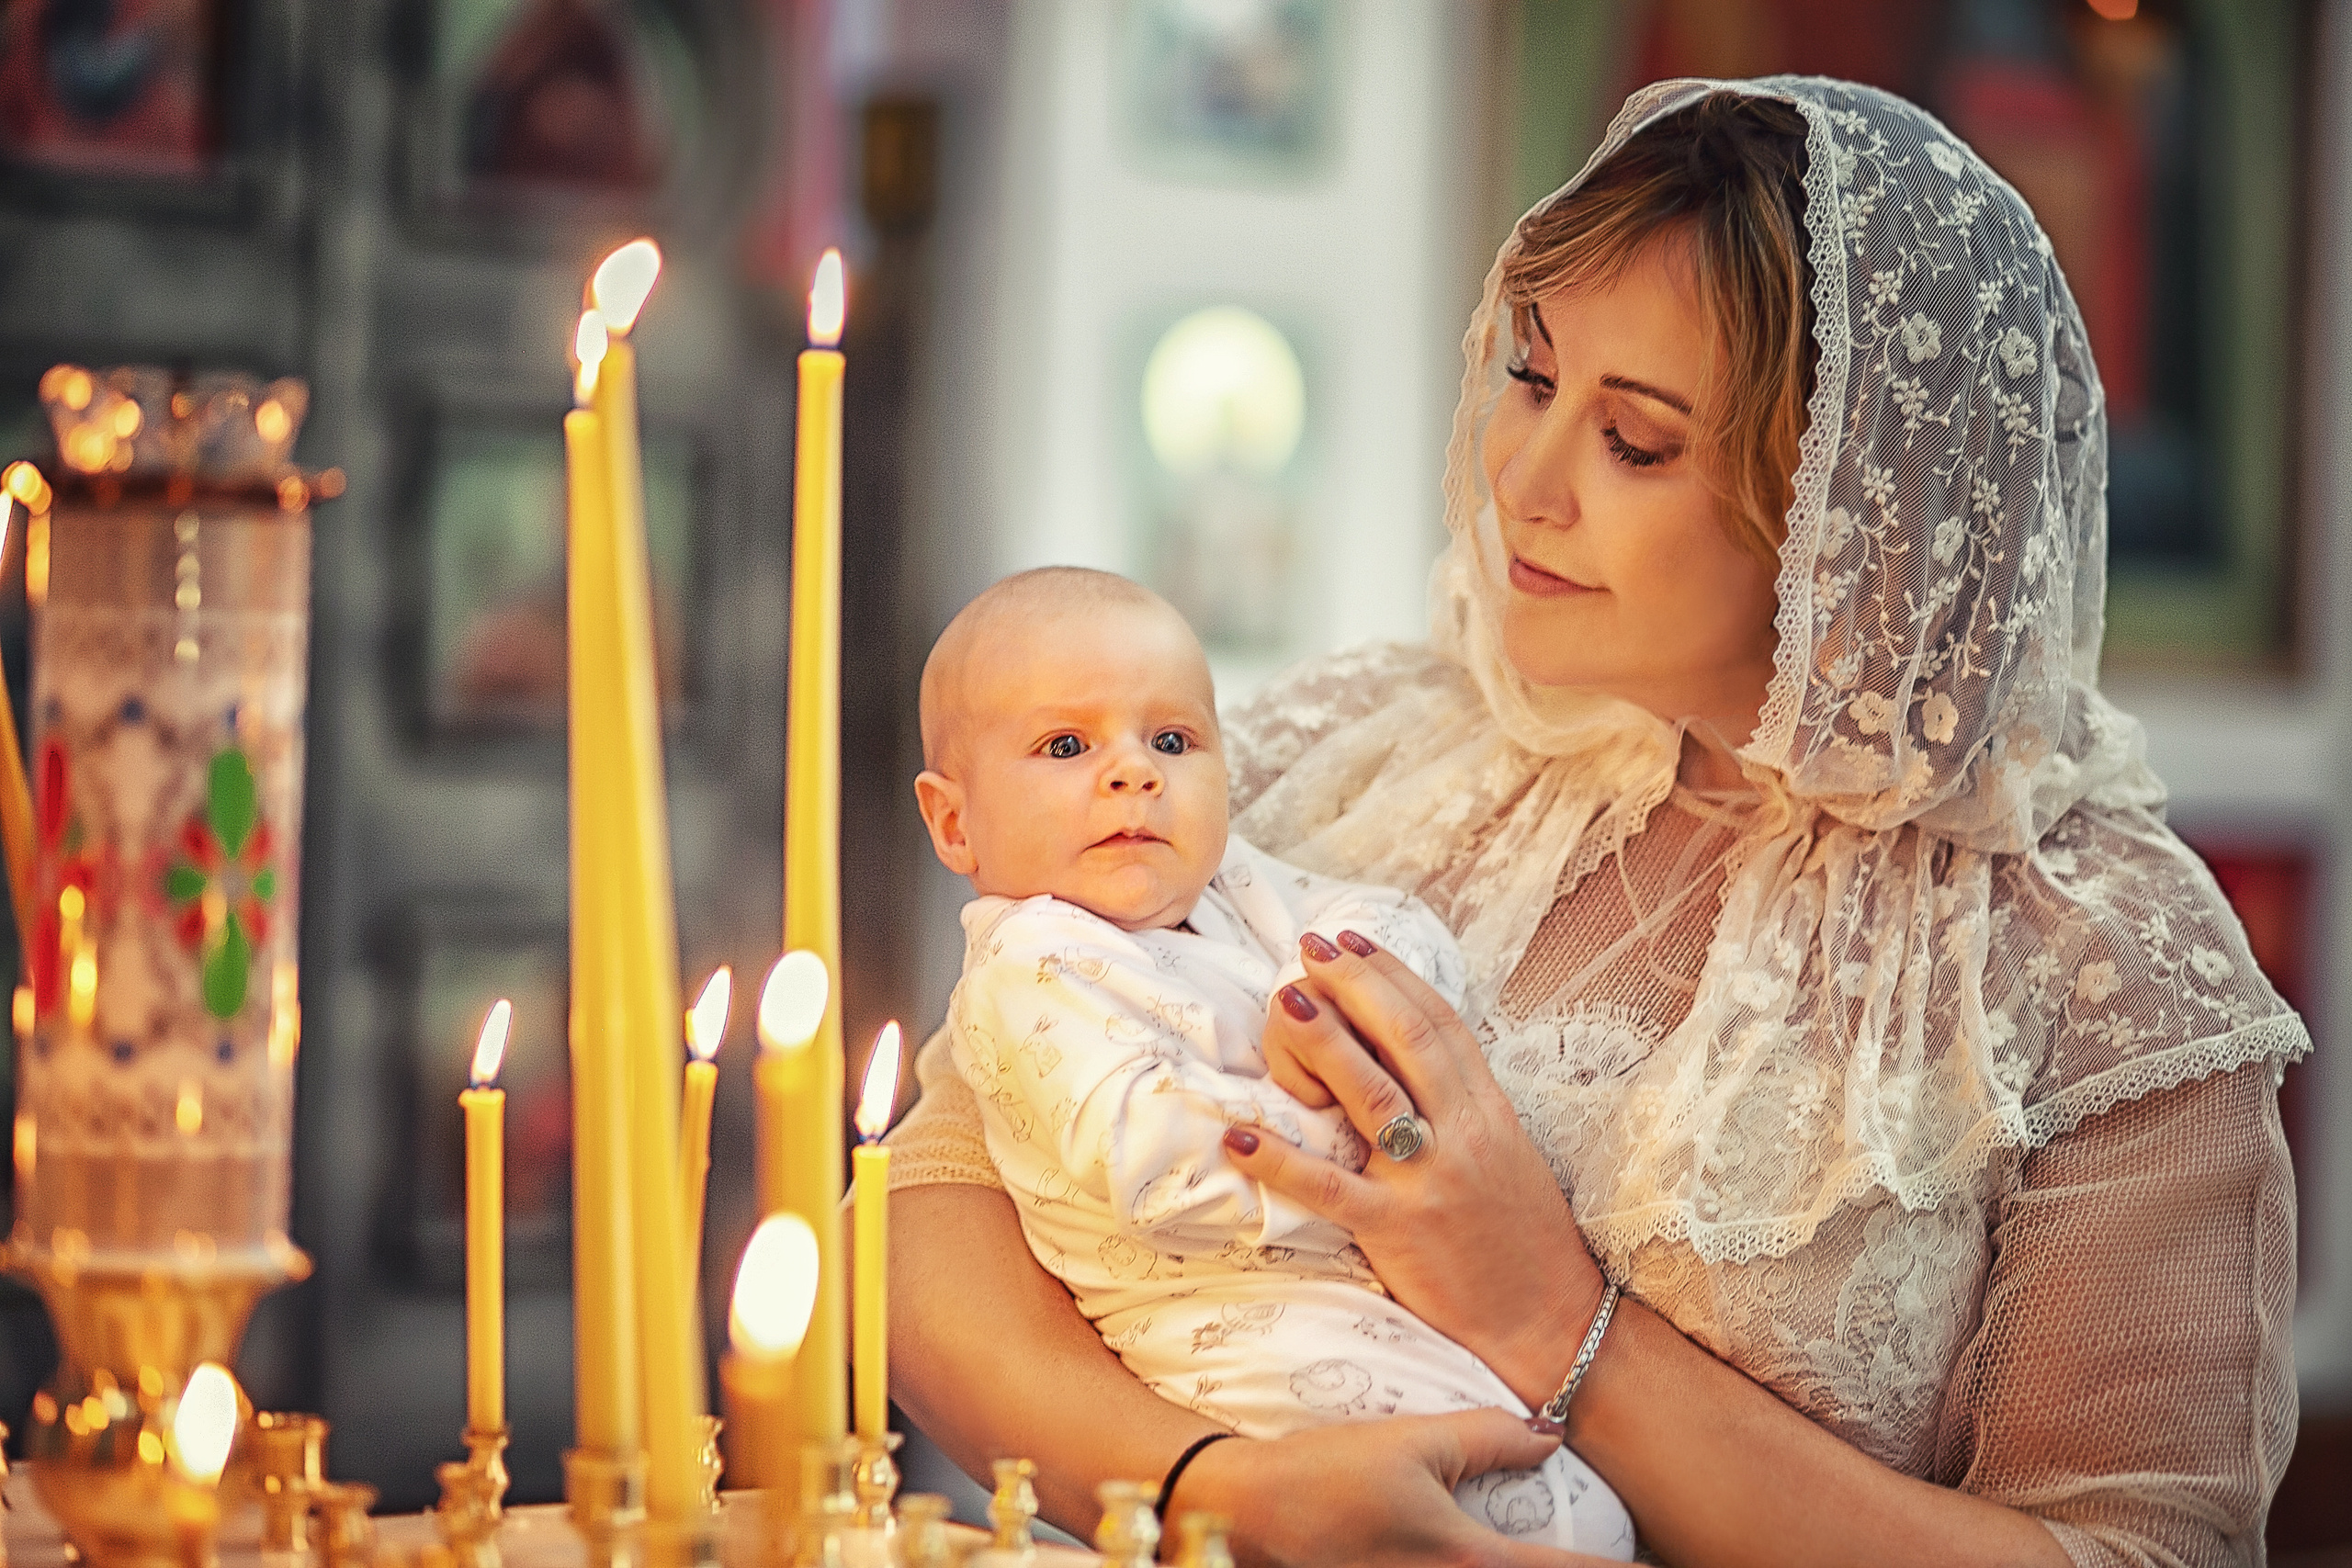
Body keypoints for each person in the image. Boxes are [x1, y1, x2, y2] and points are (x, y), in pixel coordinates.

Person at [886, 79, 2306, 1567]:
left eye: (1634, 442)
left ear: (1848, 501)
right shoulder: (1350, 748)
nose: (1524, 480)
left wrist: (1556, 1316)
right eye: (1531, 374)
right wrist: (1210, 1488)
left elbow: (2136, 1552)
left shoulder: (2097, 956)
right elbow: (941, 1199)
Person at [911, 568, 1633, 1558]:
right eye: (1067, 746)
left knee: (1573, 1512)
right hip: (1225, 1345)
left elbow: (1388, 926)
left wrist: (1354, 994)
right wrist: (1349, 1108)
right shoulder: (1033, 966)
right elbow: (1158, 1166)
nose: (1135, 773)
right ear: (955, 823)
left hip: (1352, 1307)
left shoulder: (1230, 886)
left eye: (1171, 740)